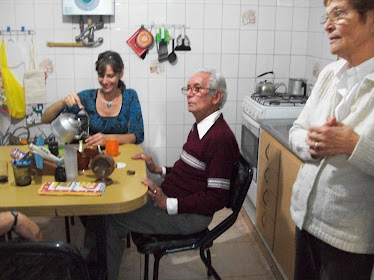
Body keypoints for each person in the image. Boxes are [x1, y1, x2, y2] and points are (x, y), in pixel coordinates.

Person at [106, 69, 240, 280]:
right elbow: (191, 170)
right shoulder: (202, 126)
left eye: (197, 89)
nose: (189, 94)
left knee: (112, 218)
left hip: (190, 216)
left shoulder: (220, 139)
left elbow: (216, 197)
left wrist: (167, 203)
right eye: (188, 89)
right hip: (176, 197)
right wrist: (160, 170)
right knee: (120, 192)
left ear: (216, 96)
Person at [288, 0, 374, 279]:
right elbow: (297, 130)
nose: (327, 25)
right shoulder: (329, 74)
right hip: (306, 221)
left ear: (371, 19)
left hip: (349, 238)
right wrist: (312, 144)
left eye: (339, 13)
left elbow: (355, 147)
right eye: (326, 17)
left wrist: (353, 145)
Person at [41, 50, 144, 146]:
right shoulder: (86, 98)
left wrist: (107, 139)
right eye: (101, 75)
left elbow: (138, 135)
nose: (104, 81)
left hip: (120, 155)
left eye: (110, 76)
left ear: (120, 73)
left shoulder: (129, 96)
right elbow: (45, 119)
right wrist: (63, 101)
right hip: (92, 155)